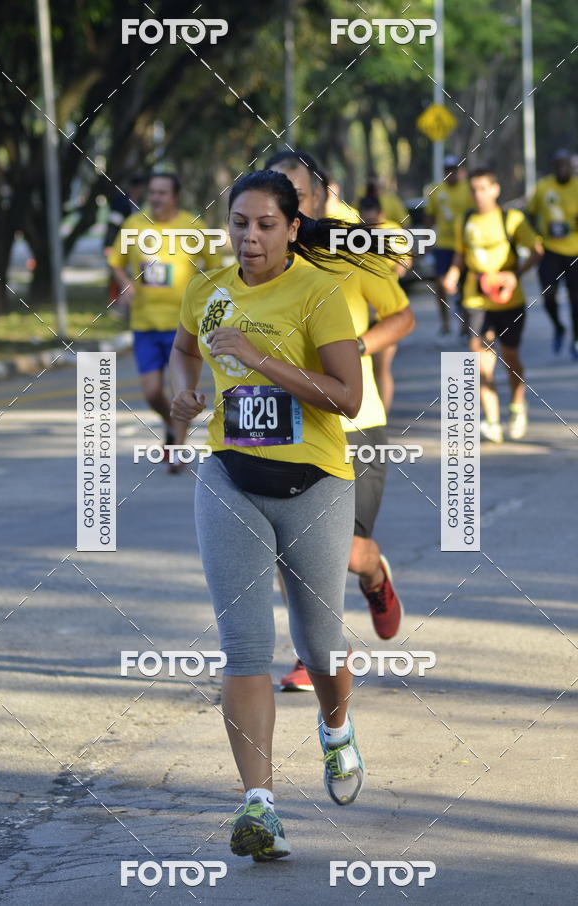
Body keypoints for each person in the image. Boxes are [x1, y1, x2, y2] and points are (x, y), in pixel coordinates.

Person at [171, 169, 403, 859]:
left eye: (265, 224)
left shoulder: (319, 293)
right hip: (229, 477)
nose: (250, 236)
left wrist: (258, 357)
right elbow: (186, 350)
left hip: (316, 484)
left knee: (320, 643)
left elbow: (346, 397)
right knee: (243, 646)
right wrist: (184, 400)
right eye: (239, 222)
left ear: (292, 228)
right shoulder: (206, 291)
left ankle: (335, 731)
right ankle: (260, 808)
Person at [263, 150, 415, 694]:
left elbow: (402, 315)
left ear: (320, 198)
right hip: (286, 425)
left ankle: (375, 575)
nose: (284, 206)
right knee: (290, 548)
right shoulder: (253, 262)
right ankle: (318, 652)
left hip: (354, 422)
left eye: (296, 195)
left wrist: (356, 346)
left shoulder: (349, 253)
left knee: (347, 554)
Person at [109, 171, 220, 471]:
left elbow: (214, 267)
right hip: (145, 323)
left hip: (182, 324)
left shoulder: (192, 227)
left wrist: (206, 301)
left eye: (162, 193)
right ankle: (171, 423)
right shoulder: (134, 225)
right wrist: (125, 284)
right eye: (153, 192)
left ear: (175, 197)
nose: (156, 198)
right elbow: (116, 261)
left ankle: (178, 452)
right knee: (152, 391)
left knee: (180, 390)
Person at [442, 167, 542, 443]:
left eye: (483, 188)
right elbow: (460, 255)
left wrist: (515, 274)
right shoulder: (466, 220)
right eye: (474, 190)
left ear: (496, 189)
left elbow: (537, 250)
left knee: (510, 358)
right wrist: (452, 274)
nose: (478, 195)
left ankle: (517, 405)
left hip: (509, 300)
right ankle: (492, 419)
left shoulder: (512, 219)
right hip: (476, 300)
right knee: (481, 363)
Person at [358, 191, 412, 414]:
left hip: (385, 313)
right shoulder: (352, 235)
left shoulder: (392, 231)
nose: (369, 226)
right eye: (364, 221)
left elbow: (405, 261)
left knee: (381, 369)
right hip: (360, 312)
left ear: (380, 214)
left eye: (373, 221)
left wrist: (391, 279)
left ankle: (382, 416)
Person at [526, 149, 578, 358]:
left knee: (576, 300)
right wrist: (536, 235)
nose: (562, 168)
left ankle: (575, 339)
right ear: (554, 167)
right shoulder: (544, 187)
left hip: (575, 251)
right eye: (558, 165)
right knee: (548, 295)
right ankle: (558, 326)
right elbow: (529, 213)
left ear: (570, 166)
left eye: (565, 164)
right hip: (550, 250)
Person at [425, 155, 473, 343]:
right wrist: (427, 244)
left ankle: (465, 325)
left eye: (453, 169)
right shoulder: (436, 191)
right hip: (443, 245)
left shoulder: (467, 189)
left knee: (465, 285)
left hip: (464, 245)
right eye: (447, 170)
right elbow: (430, 217)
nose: (450, 173)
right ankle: (445, 323)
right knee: (441, 284)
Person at [104, 174, 148, 320]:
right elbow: (113, 225)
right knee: (118, 276)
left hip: (132, 248)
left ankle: (125, 306)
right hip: (118, 246)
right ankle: (116, 306)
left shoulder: (136, 204)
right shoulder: (121, 203)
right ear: (137, 188)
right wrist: (109, 245)